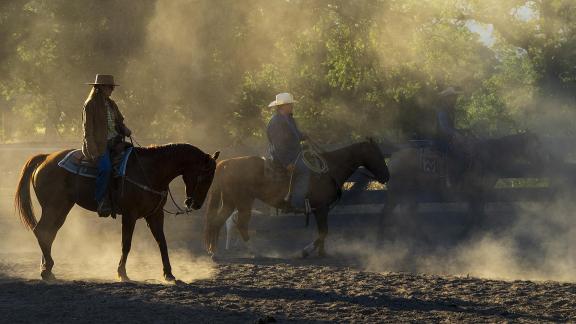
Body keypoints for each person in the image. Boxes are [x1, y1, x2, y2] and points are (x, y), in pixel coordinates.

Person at [82, 74, 131, 217]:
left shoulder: (111, 104)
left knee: (133, 161)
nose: (112, 90)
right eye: (109, 87)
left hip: (115, 143)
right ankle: (101, 200)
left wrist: (125, 130)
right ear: (100, 87)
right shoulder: (90, 105)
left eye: (112, 87)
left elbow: (119, 122)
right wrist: (94, 152)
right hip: (99, 146)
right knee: (106, 169)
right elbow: (88, 131)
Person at [266, 92, 310, 211]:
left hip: (294, 155)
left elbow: (294, 135)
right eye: (290, 104)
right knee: (305, 170)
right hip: (282, 158)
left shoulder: (289, 119)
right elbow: (278, 145)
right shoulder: (276, 122)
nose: (292, 106)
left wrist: (304, 136)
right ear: (283, 106)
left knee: (312, 162)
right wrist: (287, 163)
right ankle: (296, 204)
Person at [435, 86, 470, 183]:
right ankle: (452, 180)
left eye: (455, 97)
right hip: (440, 140)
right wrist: (456, 134)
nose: (455, 99)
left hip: (446, 139)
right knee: (459, 155)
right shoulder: (442, 111)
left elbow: (449, 128)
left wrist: (461, 131)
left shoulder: (448, 111)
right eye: (453, 97)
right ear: (446, 98)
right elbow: (445, 128)